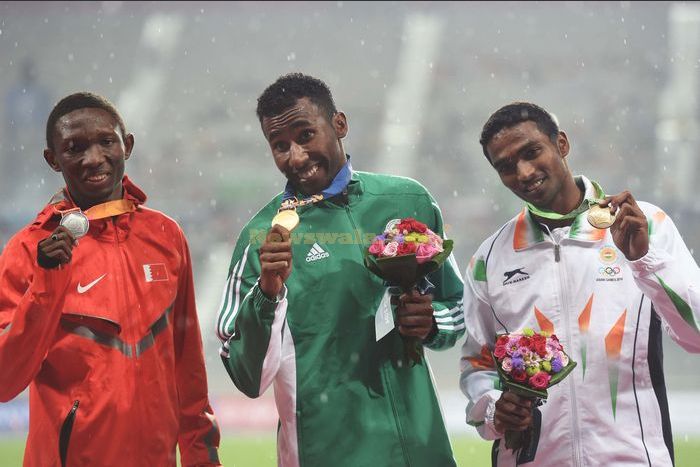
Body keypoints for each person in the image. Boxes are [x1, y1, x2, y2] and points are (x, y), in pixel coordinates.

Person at [216, 73, 465, 467]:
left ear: (339, 124)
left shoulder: (408, 201)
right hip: (327, 453)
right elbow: (247, 376)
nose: (295, 156)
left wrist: (431, 322)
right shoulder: (262, 238)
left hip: (421, 449)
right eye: (279, 146)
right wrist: (266, 293)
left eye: (305, 135)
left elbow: (456, 307)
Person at [460, 101, 700, 466]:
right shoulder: (489, 259)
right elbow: (478, 365)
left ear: (562, 144)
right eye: (506, 167)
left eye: (532, 152)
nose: (523, 172)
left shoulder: (642, 224)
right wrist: (494, 408)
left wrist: (643, 261)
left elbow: (696, 334)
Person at [0, 92, 221, 466]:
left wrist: (203, 458)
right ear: (53, 159)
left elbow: (188, 369)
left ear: (127, 145)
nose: (93, 158)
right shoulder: (28, 249)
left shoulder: (166, 236)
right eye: (75, 147)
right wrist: (46, 283)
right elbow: (6, 380)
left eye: (106, 141)